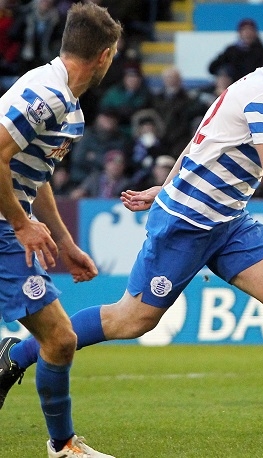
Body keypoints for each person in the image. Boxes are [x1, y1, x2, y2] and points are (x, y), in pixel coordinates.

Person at [4, 20, 263, 444]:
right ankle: (18, 354)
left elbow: (199, 143)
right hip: (187, 223)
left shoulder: (251, 86)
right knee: (132, 319)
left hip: (228, 222)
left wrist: (165, 185)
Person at [0, 4, 120, 457]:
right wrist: (20, 223)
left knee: (58, 337)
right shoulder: (48, 94)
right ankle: (63, 445)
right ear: (104, 55)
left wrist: (65, 241)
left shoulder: (67, 106)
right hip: (2, 225)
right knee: (60, 338)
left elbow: (36, 174)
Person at [207, 18, 263, 83]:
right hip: (233, 84)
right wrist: (225, 73)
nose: (248, 33)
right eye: (245, 30)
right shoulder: (231, 51)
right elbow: (212, 68)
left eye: (250, 30)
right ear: (240, 33)